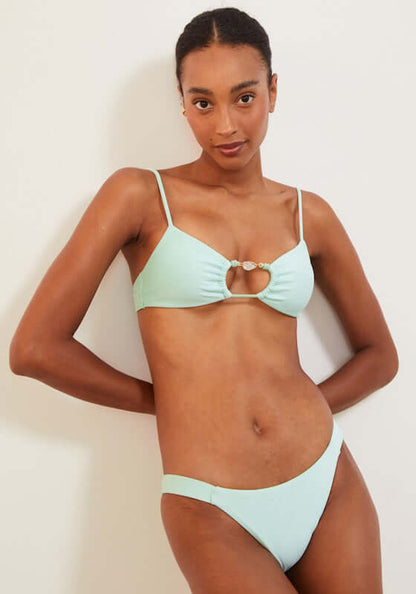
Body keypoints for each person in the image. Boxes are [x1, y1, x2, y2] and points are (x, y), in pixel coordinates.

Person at [9, 6, 398, 594]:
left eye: (244, 97)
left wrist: (302, 408)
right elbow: (35, 349)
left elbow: (380, 356)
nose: (225, 126)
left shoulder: (309, 214)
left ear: (272, 91)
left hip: (326, 483)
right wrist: (168, 402)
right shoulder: (138, 195)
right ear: (182, 102)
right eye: (203, 102)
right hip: (211, 505)